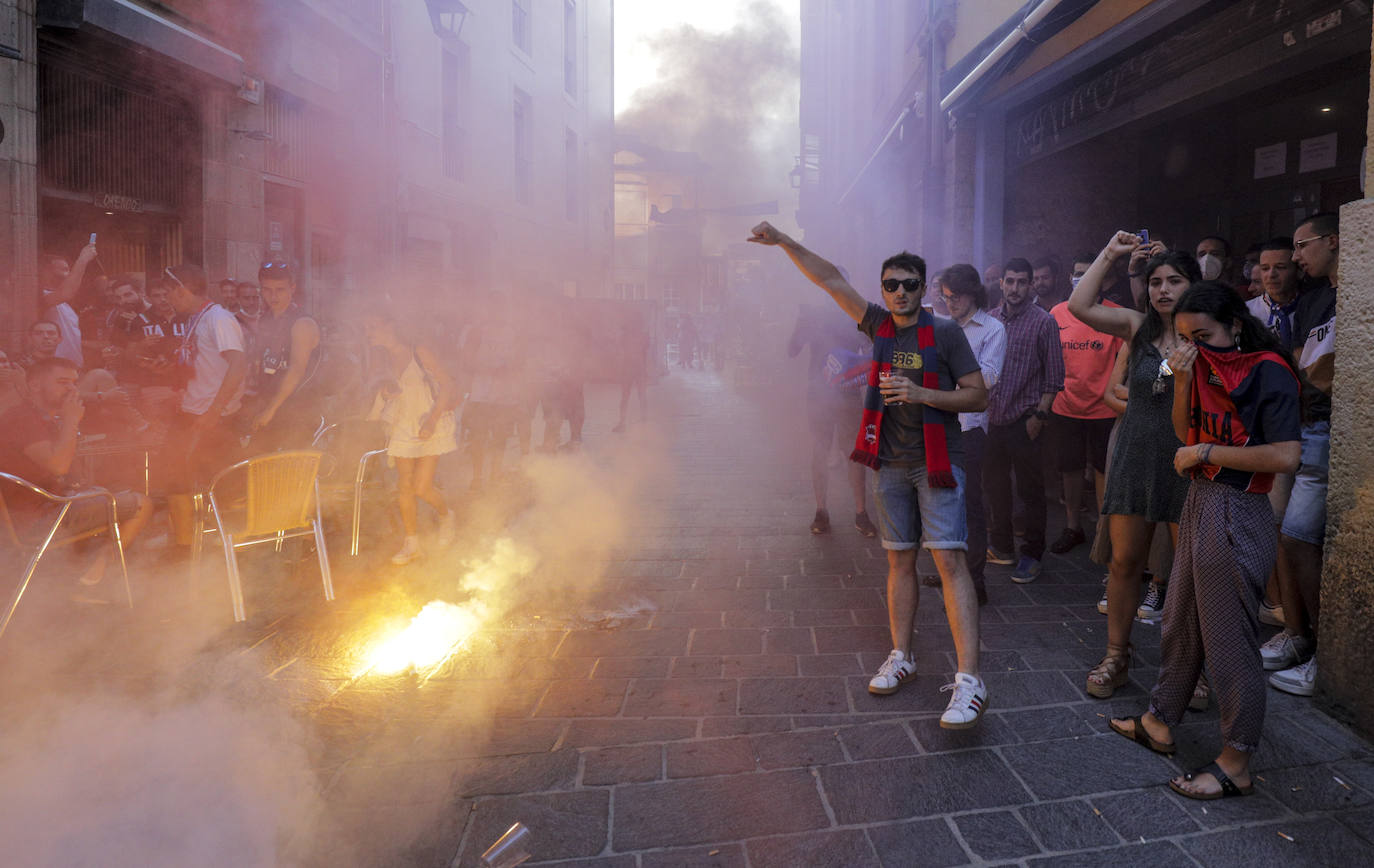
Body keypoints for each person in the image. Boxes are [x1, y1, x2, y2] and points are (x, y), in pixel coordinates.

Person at [748, 220, 990, 730]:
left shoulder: (944, 332)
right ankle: (901, 655)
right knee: (899, 561)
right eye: (890, 284)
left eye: (908, 284)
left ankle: (970, 681)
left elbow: (977, 393)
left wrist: (924, 394)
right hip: (890, 462)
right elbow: (831, 280)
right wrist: (788, 242)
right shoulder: (878, 325)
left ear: (924, 290)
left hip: (937, 461)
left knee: (949, 562)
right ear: (883, 290)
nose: (899, 292)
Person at [1109, 281, 1301, 801]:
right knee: (1180, 619)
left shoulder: (1268, 369)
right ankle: (1159, 719)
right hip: (1200, 497)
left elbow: (1285, 455)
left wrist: (1207, 452)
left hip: (1238, 508)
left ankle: (1236, 762)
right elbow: (1181, 431)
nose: (1193, 344)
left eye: (1204, 334)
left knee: (1228, 640)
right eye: (1186, 336)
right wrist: (1183, 379)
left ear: (1235, 324)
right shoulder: (1190, 363)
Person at [1069, 234, 1196, 698]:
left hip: (1187, 462)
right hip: (1136, 454)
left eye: (1175, 281)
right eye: (1156, 281)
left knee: (1188, 571)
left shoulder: (1213, 333)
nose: (1163, 290)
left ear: (1194, 286)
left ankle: (1189, 667)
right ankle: (1116, 656)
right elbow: (1079, 305)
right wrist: (1109, 254)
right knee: (1125, 562)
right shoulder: (1138, 328)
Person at [0, 356, 153, 592]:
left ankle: (80, 575)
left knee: (105, 492)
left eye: (73, 383)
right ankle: (91, 579)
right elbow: (58, 466)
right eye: (62, 382)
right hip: (38, 520)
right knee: (142, 504)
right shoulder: (22, 419)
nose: (71, 389)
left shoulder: (38, 417)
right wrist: (71, 421)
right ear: (35, 385)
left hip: (42, 509)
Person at [1266, 212, 1339, 697]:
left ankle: (1324, 655)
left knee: (1295, 536)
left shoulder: (1349, 293)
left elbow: (1315, 367)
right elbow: (1301, 363)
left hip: (1329, 428)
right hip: (1303, 425)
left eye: (1302, 245)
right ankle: (1298, 636)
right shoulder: (1315, 300)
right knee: (1285, 535)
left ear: (1334, 241)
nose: (1296, 257)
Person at [921, 264, 1004, 606]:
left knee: (971, 504)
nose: (949, 303)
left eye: (954, 297)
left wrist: (947, 375)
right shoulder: (941, 326)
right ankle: (949, 571)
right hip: (938, 422)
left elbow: (988, 377)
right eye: (944, 297)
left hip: (970, 428)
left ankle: (976, 579)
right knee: (940, 502)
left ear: (973, 294)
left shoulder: (992, 328)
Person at [984, 257, 1065, 583]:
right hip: (992, 420)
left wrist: (1040, 416)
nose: (1015, 288)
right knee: (996, 488)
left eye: (1021, 282)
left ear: (1030, 285)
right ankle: (1001, 547)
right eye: (1010, 281)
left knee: (1031, 491)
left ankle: (1032, 554)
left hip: (1025, 420)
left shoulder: (1043, 322)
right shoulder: (988, 320)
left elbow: (1055, 376)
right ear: (1001, 283)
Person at [363, 309, 458, 565]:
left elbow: (447, 384)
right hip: (403, 424)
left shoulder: (419, 351)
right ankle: (412, 543)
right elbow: (377, 391)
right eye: (366, 327)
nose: (368, 332)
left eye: (373, 326)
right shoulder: (381, 359)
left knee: (421, 487)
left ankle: (447, 515)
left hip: (429, 420)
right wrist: (383, 392)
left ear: (390, 326)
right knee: (404, 485)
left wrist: (432, 419)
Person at [162, 263, 248, 547]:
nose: (167, 298)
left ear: (182, 290)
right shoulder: (196, 318)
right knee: (176, 479)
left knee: (200, 484)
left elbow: (238, 365)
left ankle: (193, 548)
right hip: (191, 413)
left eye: (169, 292)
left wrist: (214, 411)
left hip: (211, 418)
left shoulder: (219, 318)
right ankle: (184, 542)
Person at [1047, 268, 1124, 554]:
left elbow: (1123, 362)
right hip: (1065, 404)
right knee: (1070, 468)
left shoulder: (1117, 314)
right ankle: (1073, 527)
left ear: (1105, 278)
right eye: (1077, 273)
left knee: (1105, 469)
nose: (1080, 278)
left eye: (1088, 273)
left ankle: (1105, 533)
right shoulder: (1057, 312)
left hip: (1104, 407)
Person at [787, 303, 876, 538]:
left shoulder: (856, 317)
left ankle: (861, 512)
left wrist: (863, 365)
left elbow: (871, 352)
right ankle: (821, 510)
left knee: (854, 452)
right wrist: (801, 325)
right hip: (818, 393)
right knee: (820, 449)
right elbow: (792, 350)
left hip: (848, 394)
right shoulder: (813, 315)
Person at [246, 261, 323, 452]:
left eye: (280, 290)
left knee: (289, 473)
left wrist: (270, 410)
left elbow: (296, 370)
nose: (273, 296)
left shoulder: (302, 323)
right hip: (270, 407)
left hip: (298, 410)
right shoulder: (265, 319)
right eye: (267, 290)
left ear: (292, 288)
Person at [39, 244, 97, 367]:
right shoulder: (39, 297)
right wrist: (83, 259)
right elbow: (66, 292)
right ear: (46, 271)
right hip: (54, 368)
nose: (69, 273)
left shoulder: (64, 304)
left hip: (72, 368)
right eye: (65, 269)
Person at [1245, 239, 1300, 353]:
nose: (1271, 275)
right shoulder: (1246, 312)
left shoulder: (1312, 307)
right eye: (1265, 268)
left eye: (1280, 267)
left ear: (1298, 271)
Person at [613, 315, 650, 433]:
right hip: (639, 366)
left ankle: (622, 422)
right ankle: (644, 419)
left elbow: (621, 351)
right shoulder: (644, 335)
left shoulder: (625, 335)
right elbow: (645, 352)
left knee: (625, 395)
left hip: (628, 367)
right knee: (641, 394)